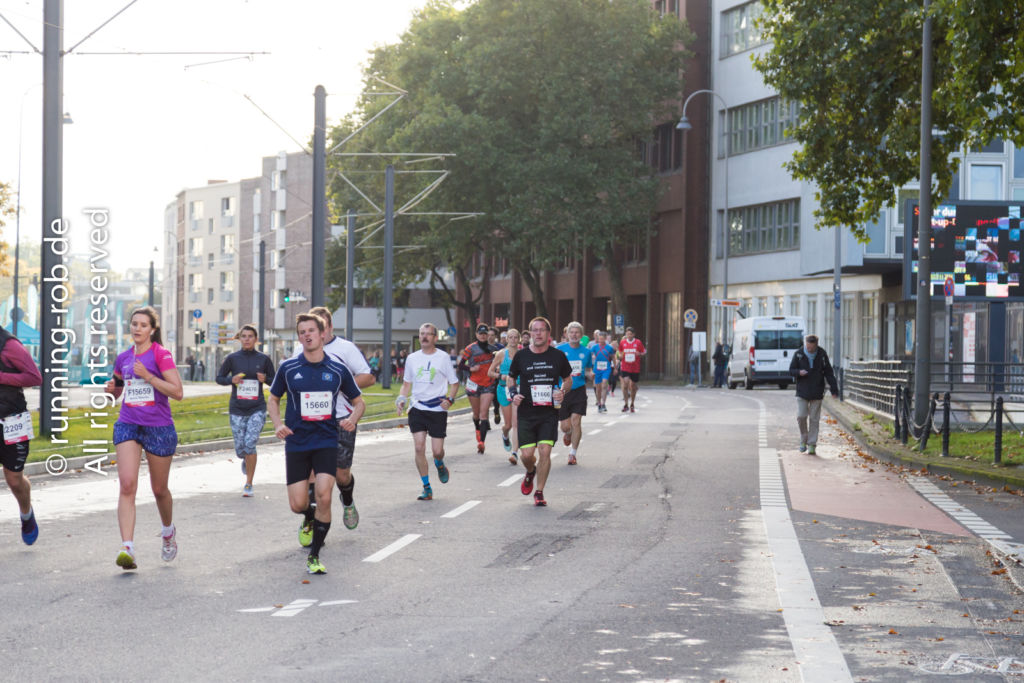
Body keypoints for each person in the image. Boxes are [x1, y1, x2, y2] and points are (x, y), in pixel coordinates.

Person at [270, 313, 365, 575]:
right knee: (298, 504)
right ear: (299, 337)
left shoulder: (337, 369)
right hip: (297, 442)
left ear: (322, 334)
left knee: (324, 495)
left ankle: (314, 555)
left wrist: (352, 419)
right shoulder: (289, 368)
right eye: (302, 332)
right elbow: (273, 399)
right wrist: (278, 424)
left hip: (326, 440)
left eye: (311, 330)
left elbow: (359, 402)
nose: (307, 335)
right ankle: (308, 518)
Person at [105, 307, 184, 570]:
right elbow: (117, 390)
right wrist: (110, 391)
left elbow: (177, 392)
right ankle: (127, 547)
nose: (137, 328)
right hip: (129, 423)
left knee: (159, 490)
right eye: (134, 324)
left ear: (152, 329)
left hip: (158, 427)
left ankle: (168, 531)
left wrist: (149, 376)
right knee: (127, 484)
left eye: (143, 325)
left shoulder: (161, 355)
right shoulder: (124, 358)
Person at [297, 306, 375, 531]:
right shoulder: (300, 350)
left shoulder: (345, 348)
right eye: (309, 329)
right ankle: (310, 519)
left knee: (341, 474)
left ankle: (347, 499)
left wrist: (341, 383)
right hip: (311, 420)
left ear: (329, 327)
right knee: (312, 473)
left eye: (319, 327)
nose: (313, 334)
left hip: (341, 418)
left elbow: (368, 377)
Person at [507, 317, 572, 507]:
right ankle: (530, 472)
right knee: (527, 456)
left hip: (548, 413)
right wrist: (513, 394)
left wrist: (562, 391)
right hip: (526, 412)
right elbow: (511, 379)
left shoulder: (557, 356)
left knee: (545, 451)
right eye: (534, 330)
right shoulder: (521, 356)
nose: (538, 333)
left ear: (548, 334)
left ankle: (539, 491)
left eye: (542, 330)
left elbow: (568, 379)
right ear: (529, 334)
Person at [395, 323, 461, 501]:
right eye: (421, 333)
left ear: (435, 337)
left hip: (437, 408)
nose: (424, 337)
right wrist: (401, 399)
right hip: (417, 407)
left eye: (428, 334)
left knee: (437, 451)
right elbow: (406, 383)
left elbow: (454, 383)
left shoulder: (443, 358)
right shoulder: (412, 358)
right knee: (419, 447)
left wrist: (450, 400)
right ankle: (427, 487)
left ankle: (439, 463)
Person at [216, 324, 275, 497]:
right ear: (240, 339)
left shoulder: (263, 359)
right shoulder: (233, 358)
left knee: (250, 444)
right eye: (244, 336)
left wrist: (266, 379)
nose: (247, 339)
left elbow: (275, 381)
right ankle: (246, 459)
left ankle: (249, 483)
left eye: (250, 336)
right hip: (237, 408)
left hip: (257, 407)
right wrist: (231, 380)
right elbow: (219, 378)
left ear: (256, 339)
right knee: (241, 448)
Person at [0, 326, 42, 545]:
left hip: (12, 420)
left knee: (14, 480)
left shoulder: (9, 345)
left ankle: (26, 513)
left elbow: (34, 377)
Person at [788, 334, 838, 456]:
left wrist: (834, 390)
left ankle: (812, 444)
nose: (809, 349)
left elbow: (829, 373)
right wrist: (799, 372)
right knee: (801, 416)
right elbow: (791, 370)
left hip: (817, 391)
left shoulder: (822, 354)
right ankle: (803, 439)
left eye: (811, 347)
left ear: (816, 345)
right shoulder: (799, 354)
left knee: (814, 419)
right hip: (802, 391)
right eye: (807, 346)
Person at [556, 321, 593, 465]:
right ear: (567, 334)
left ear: (581, 335)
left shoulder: (587, 352)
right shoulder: (559, 350)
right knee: (565, 426)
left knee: (576, 421)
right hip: (563, 390)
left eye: (577, 332)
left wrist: (591, 375)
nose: (574, 335)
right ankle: (568, 433)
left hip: (579, 390)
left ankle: (573, 453)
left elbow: (589, 369)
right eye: (571, 332)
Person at [458, 324, 498, 453]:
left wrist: (496, 369)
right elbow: (460, 365)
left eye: (485, 334)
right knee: (476, 414)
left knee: (484, 414)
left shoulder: (493, 349)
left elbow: (498, 364)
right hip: (474, 384)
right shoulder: (470, 349)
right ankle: (477, 429)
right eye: (480, 334)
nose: (483, 336)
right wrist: (470, 368)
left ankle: (482, 442)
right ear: (476, 335)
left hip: (488, 383)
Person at [488, 328, 522, 465]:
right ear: (506, 339)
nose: (513, 340)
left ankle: (514, 453)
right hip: (503, 390)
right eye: (510, 337)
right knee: (507, 425)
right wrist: (500, 376)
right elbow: (490, 372)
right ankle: (504, 434)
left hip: (518, 390)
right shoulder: (501, 354)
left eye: (515, 337)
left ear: (519, 339)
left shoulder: (523, 354)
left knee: (516, 423)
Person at [617, 327, 646, 412]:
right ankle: (626, 404)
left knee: (633, 386)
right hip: (625, 367)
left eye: (630, 334)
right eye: (627, 334)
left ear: (633, 334)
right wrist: (620, 356)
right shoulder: (623, 342)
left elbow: (644, 352)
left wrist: (639, 354)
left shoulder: (638, 342)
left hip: (635, 368)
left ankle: (632, 403)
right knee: (625, 384)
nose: (629, 335)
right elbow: (619, 352)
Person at [591, 331, 616, 413]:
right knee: (598, 388)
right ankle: (599, 404)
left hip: (606, 368)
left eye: (602, 339)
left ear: (605, 339)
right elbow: (589, 355)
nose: (600, 340)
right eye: (599, 339)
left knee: (604, 384)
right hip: (597, 369)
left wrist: (615, 368)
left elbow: (613, 357)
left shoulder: (609, 348)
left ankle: (603, 403)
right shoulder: (594, 347)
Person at [488, 326, 504, 426]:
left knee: (495, 395)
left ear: (495, 336)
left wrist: (500, 368)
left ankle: (496, 411)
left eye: (492, 335)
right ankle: (484, 422)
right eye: (488, 335)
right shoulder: (483, 347)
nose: (490, 337)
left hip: (496, 375)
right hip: (485, 376)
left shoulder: (500, 348)